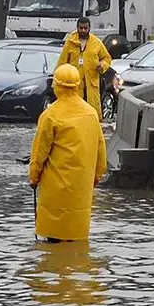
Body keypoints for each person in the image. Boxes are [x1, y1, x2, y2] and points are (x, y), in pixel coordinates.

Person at [29, 63, 107, 243]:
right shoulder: (91, 113)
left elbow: (39, 154)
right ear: (78, 86)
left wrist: (34, 178)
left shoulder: (50, 115)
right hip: (81, 190)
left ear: (56, 86)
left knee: (53, 242)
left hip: (55, 193)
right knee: (76, 241)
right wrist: (95, 178)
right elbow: (101, 152)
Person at [57, 17, 112, 121]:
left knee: (92, 113)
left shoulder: (96, 42)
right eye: (81, 28)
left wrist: (102, 65)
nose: (83, 30)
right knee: (75, 113)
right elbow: (62, 62)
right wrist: (58, 82)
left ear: (89, 28)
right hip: (75, 84)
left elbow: (107, 58)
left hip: (91, 84)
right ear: (77, 28)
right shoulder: (70, 42)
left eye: (85, 28)